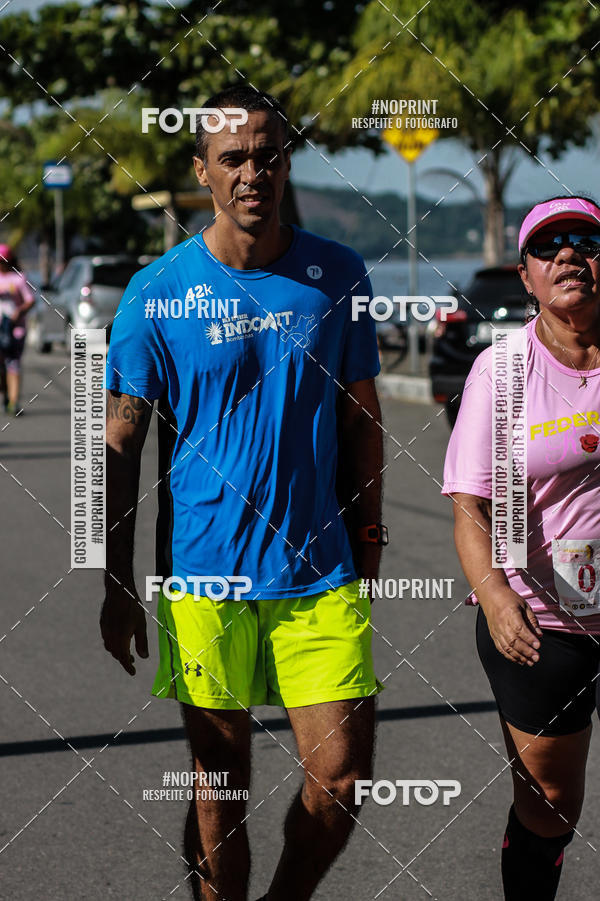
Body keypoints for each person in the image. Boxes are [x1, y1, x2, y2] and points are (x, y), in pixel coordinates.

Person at [101, 84, 386, 901]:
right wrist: (115, 578)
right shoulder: (155, 294)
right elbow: (118, 445)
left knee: (341, 777)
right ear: (203, 171)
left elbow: (363, 421)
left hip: (320, 574)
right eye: (234, 158)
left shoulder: (338, 273)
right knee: (218, 786)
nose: (253, 171)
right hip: (205, 576)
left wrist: (369, 537)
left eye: (268, 154)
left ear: (285, 160)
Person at [442, 195, 600, 899]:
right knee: (550, 805)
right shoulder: (502, 372)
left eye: (586, 241)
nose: (569, 254)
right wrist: (496, 595)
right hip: (544, 620)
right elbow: (470, 505)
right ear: (527, 277)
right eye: (548, 247)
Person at [0, 245, 35, 415]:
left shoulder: (19, 279)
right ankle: (5, 394)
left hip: (15, 330)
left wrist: (19, 312)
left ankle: (13, 402)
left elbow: (30, 300)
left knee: (13, 364)